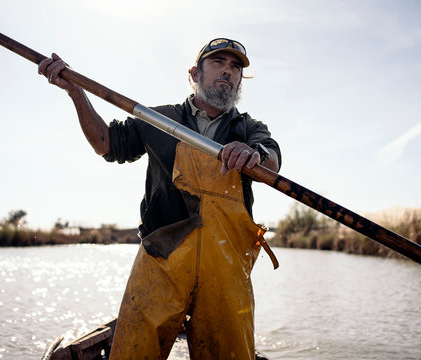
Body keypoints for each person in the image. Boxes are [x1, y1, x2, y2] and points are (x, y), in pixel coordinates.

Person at [39, 38, 281, 360]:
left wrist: (253, 154)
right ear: (195, 73)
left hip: (227, 267)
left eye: (235, 67)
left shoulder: (250, 129)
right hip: (161, 261)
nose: (228, 72)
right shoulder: (159, 119)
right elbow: (106, 143)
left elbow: (272, 159)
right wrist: (76, 93)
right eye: (218, 63)